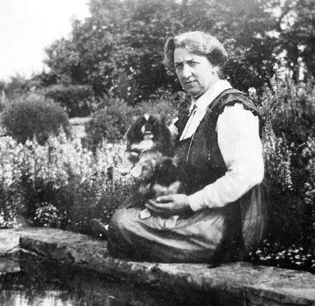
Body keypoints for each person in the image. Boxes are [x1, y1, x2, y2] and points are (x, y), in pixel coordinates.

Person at [92, 31, 267, 265]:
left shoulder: (233, 109)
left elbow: (247, 175)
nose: (185, 73)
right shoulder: (193, 110)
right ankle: (131, 234)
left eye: (193, 63)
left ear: (214, 64)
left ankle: (131, 237)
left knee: (123, 225)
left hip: (228, 219)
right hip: (192, 208)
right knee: (124, 218)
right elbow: (164, 144)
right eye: (178, 66)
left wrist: (190, 202)